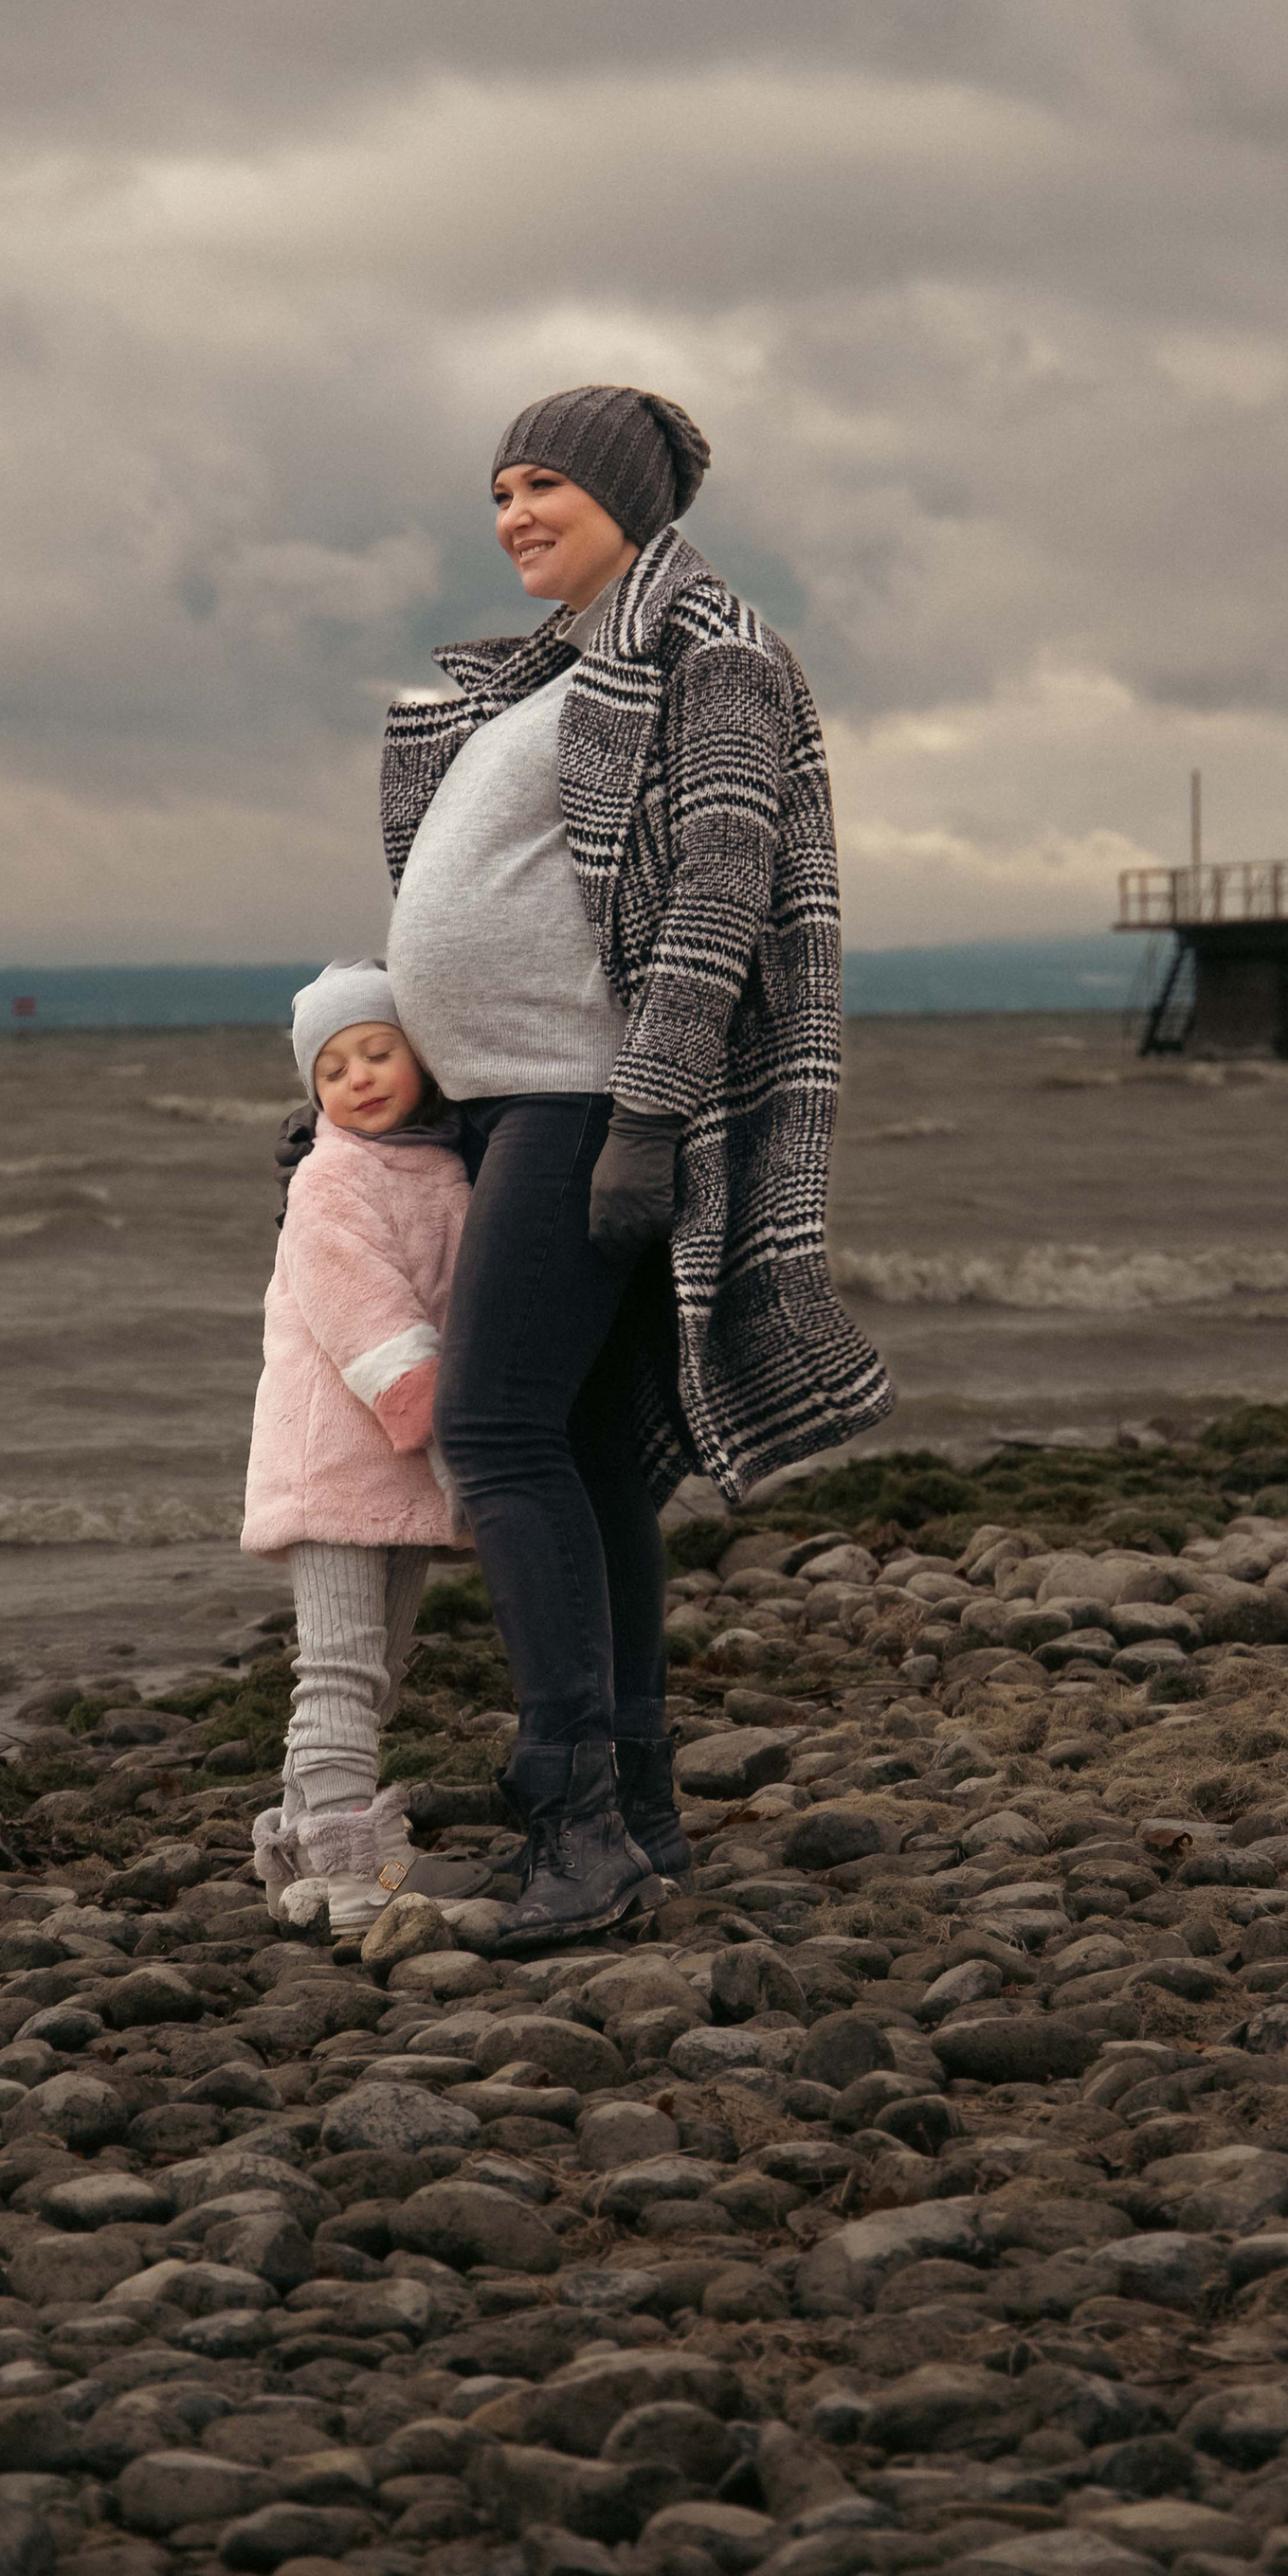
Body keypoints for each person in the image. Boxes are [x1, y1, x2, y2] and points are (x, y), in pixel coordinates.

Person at [383, 385, 894, 1949]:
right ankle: (640, 1812)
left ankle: (571, 1817)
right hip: (503, 1099)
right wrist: (380, 1079)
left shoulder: (709, 656)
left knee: (495, 1433)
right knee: (592, 1453)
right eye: (497, 493)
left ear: (628, 500)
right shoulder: (546, 678)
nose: (513, 516)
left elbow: (721, 894)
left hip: (586, 1100)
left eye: (544, 486)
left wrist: (655, 1112)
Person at [238, 961, 474, 1935]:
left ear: (420, 1057)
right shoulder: (331, 1179)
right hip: (338, 1456)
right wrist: (450, 1429)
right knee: (337, 1663)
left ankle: (298, 1846)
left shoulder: (444, 1166)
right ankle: (350, 1874)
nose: (361, 1078)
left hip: (405, 1465)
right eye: (334, 1069)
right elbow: (368, 1321)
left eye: (378, 1052)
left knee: (381, 1662)